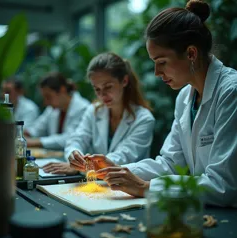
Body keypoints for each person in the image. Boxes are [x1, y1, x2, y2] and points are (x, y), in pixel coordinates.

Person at [76, 0, 237, 207]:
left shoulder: (230, 92)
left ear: (191, 54)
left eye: (161, 62)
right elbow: (169, 162)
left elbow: (223, 185)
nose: (157, 73)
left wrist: (146, 188)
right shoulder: (185, 97)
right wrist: (113, 169)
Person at [43, 52, 155, 174]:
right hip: (98, 183)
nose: (102, 95)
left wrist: (84, 167)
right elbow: (77, 138)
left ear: (124, 81)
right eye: (97, 89)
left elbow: (123, 157)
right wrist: (74, 155)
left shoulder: (144, 119)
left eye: (108, 87)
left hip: (127, 187)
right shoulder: (94, 111)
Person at [24, 72, 90, 150]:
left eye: (48, 96)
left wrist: (34, 142)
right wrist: (22, 134)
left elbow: (69, 138)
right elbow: (36, 129)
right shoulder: (52, 109)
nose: (46, 102)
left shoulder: (83, 108)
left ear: (62, 90)